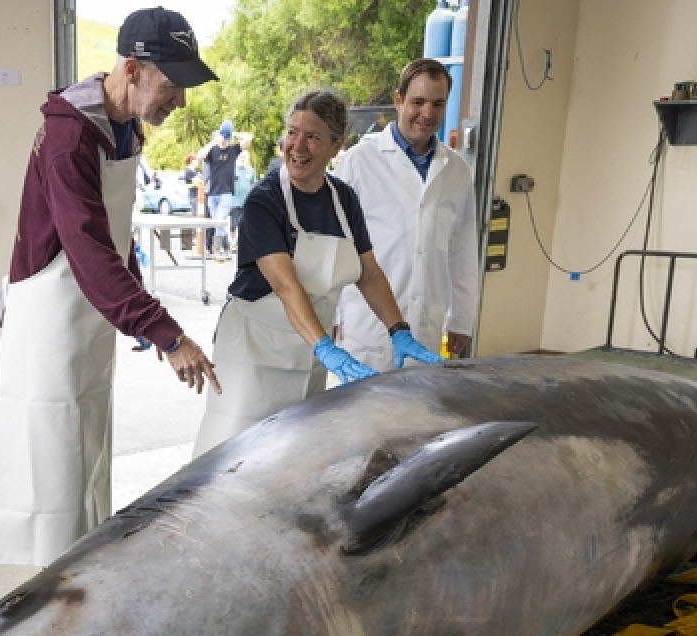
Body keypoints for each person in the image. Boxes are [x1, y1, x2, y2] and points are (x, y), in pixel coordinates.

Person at [0, 7, 222, 567]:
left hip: (87, 316)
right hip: (50, 321)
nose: (181, 101)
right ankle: (49, 604)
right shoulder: (70, 136)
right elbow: (89, 250)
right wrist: (166, 333)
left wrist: (137, 304)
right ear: (132, 69)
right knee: (54, 476)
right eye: (173, 85)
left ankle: (80, 583)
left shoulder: (124, 129)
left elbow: (113, 238)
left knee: (88, 460)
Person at [192, 90, 439, 457]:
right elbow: (285, 285)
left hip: (308, 354)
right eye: (292, 133)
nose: (298, 145)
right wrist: (328, 349)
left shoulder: (344, 199)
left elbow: (368, 273)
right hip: (255, 351)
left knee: (291, 458)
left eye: (312, 136)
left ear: (337, 144)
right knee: (233, 457)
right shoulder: (265, 201)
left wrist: (398, 330)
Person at [334, 58, 481, 368]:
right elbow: (335, 246)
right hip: (366, 329)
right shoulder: (358, 164)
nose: (427, 114)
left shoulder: (457, 172)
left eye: (437, 104)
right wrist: (332, 315)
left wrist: (462, 319)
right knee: (362, 413)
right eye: (417, 102)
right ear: (398, 100)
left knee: (417, 413)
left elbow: (463, 251)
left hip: (426, 326)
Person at [202, 120, 243, 257]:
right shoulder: (212, 150)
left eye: (227, 138)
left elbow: (249, 139)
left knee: (220, 221)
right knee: (217, 223)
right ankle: (226, 249)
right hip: (213, 192)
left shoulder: (233, 150)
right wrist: (214, 141)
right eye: (223, 137)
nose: (225, 140)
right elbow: (200, 155)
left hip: (226, 192)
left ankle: (217, 250)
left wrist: (234, 134)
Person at [230, 148, 257, 252]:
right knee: (233, 224)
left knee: (244, 224)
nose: (242, 159)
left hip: (246, 202)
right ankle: (233, 243)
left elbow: (253, 185)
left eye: (244, 157)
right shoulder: (232, 169)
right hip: (234, 201)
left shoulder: (251, 171)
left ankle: (242, 243)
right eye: (241, 157)